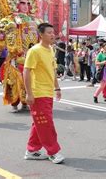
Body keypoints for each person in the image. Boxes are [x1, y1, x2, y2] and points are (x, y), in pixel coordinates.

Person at [0, 0, 42, 112]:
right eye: (22, 3)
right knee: (15, 82)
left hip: (32, 59)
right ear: (15, 3)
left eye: (28, 3)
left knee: (30, 82)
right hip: (15, 59)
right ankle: (15, 102)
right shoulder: (9, 21)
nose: (25, 6)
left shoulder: (37, 22)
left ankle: (26, 102)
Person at [23, 23, 64, 164]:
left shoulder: (51, 50)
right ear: (41, 35)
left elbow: (52, 71)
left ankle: (32, 150)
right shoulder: (34, 51)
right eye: (49, 32)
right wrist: (29, 93)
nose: (53, 35)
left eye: (53, 32)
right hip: (38, 93)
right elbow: (26, 71)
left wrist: (57, 88)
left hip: (47, 92)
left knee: (39, 123)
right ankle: (53, 151)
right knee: (46, 124)